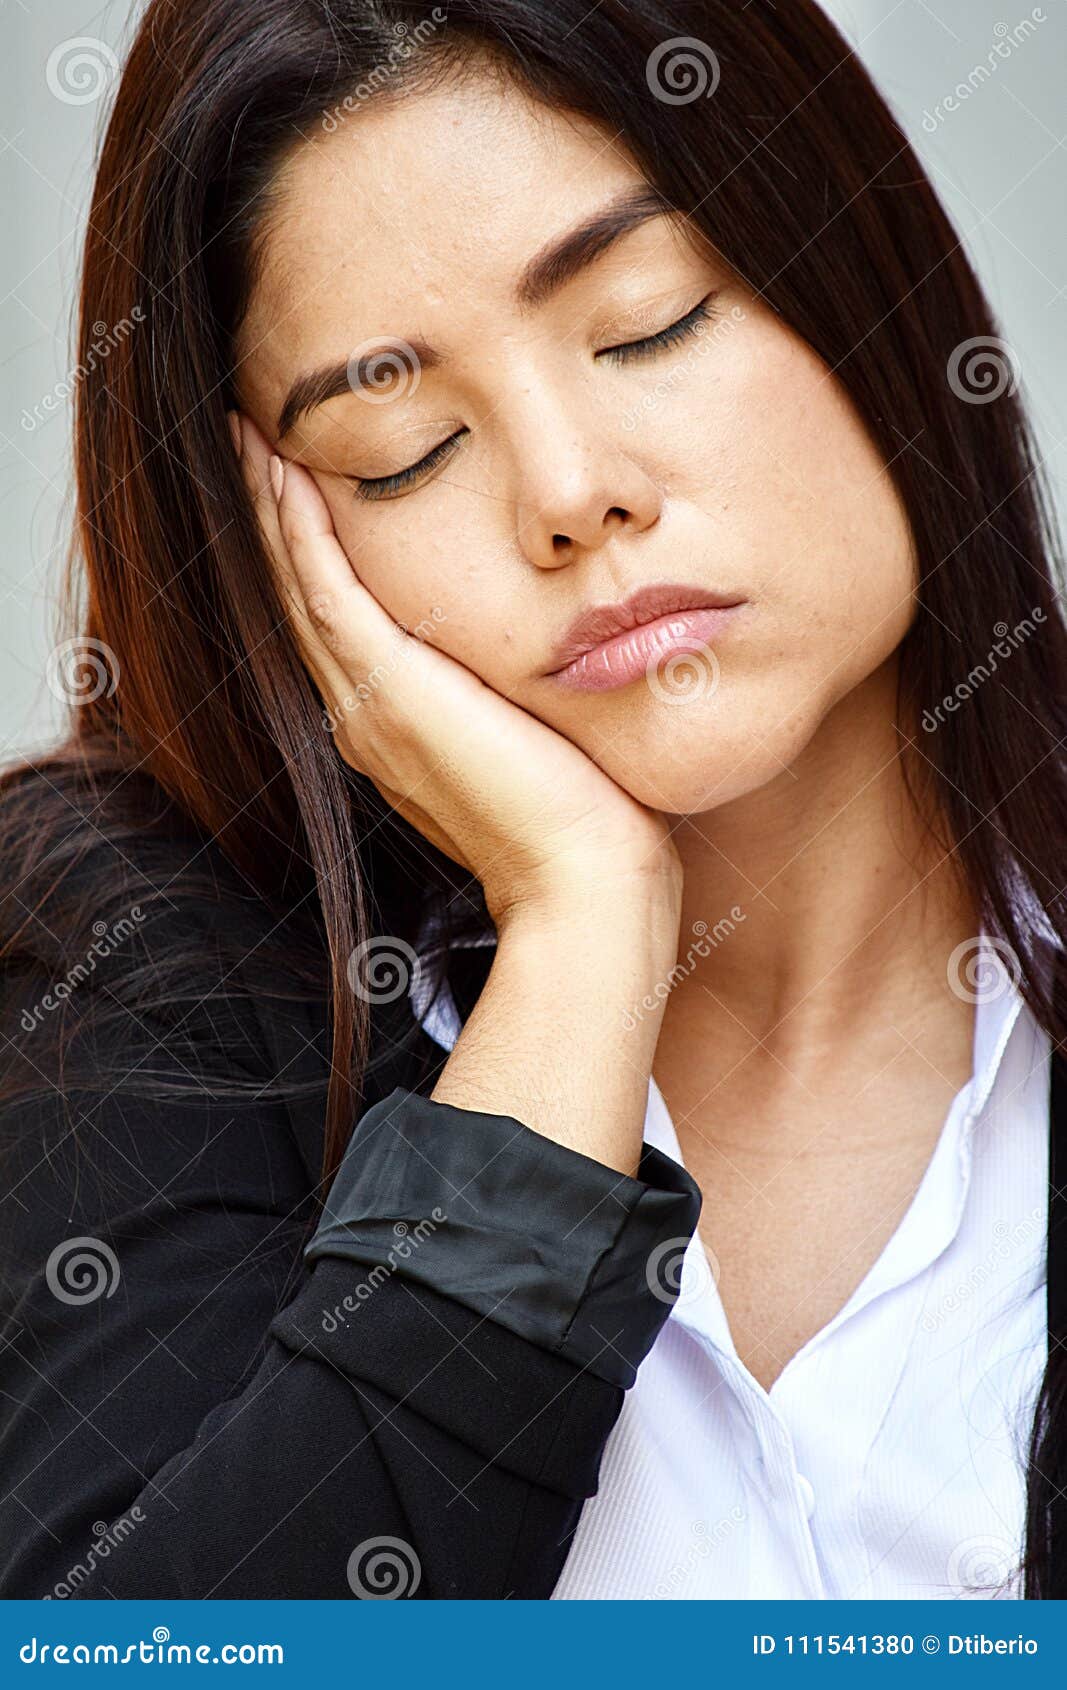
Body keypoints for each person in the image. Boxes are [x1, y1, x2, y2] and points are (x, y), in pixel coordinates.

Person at [1, 0, 1065, 1599]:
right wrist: (576, 934)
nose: (572, 493)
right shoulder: (130, 976)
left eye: (647, 322)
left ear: (868, 275)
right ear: (266, 534)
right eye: (405, 445)